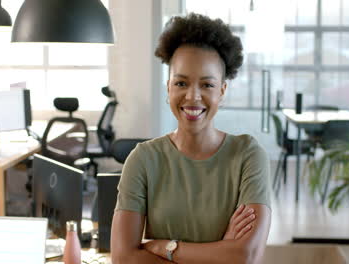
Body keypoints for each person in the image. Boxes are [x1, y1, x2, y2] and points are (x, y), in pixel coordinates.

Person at [111, 13, 271, 264]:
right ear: (169, 87)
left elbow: (245, 256)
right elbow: (123, 258)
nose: (192, 97)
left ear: (222, 90)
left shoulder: (248, 156)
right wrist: (220, 252)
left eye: (207, 85)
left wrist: (168, 248)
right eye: (181, 83)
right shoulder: (143, 159)